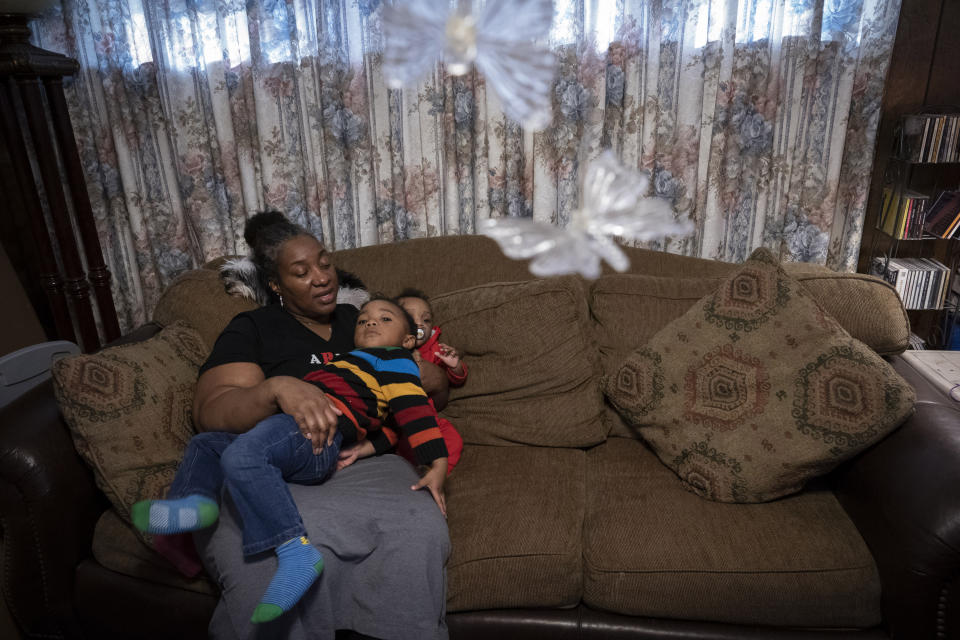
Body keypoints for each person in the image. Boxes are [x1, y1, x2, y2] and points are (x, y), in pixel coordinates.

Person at [150, 211, 450, 639]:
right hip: (278, 456)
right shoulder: (255, 327)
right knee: (257, 564)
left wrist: (410, 369)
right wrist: (275, 388)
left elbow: (429, 391)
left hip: (350, 451)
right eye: (301, 272)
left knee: (415, 531)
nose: (322, 277)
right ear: (275, 285)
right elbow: (211, 411)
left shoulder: (364, 321)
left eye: (325, 263)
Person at [392, 289, 467, 473]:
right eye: (411, 317)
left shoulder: (435, 350)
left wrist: (454, 366)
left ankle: (438, 474)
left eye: (426, 320)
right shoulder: (388, 345)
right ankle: (407, 471)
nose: (420, 324)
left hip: (427, 418)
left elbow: (454, 381)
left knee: (452, 439)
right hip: (395, 420)